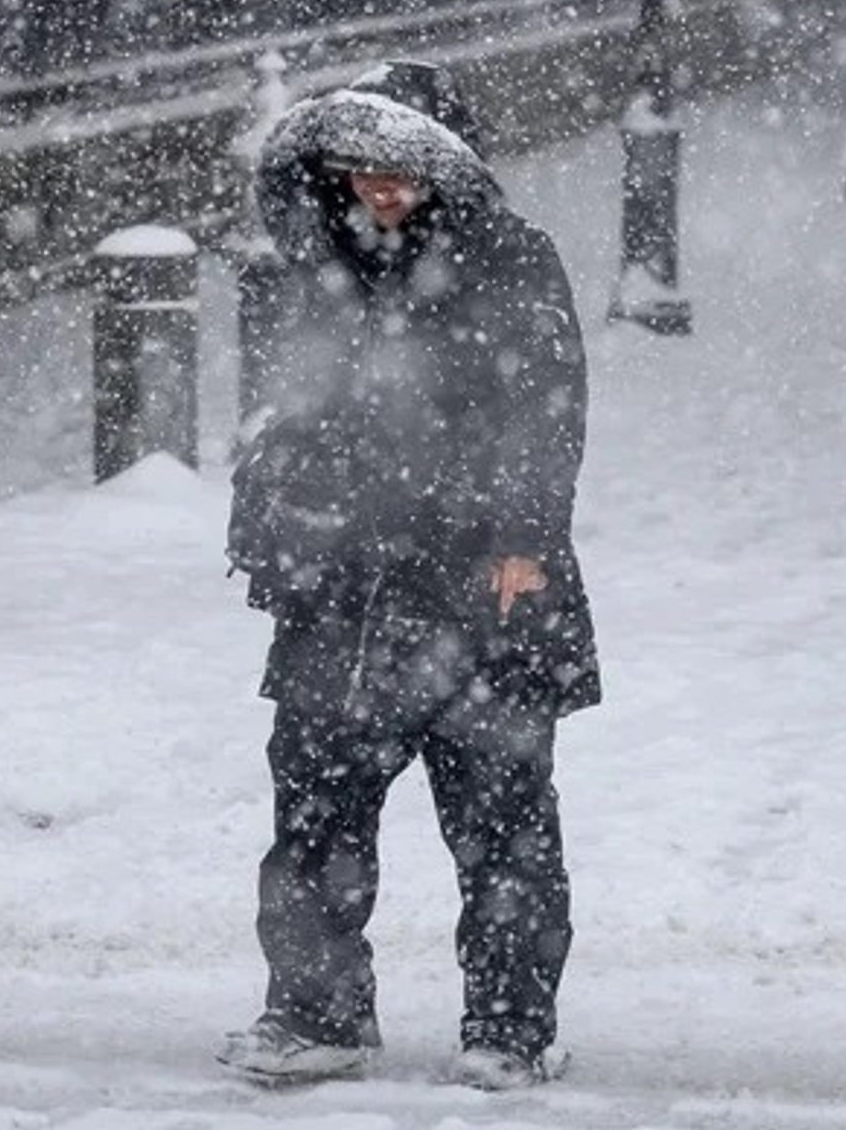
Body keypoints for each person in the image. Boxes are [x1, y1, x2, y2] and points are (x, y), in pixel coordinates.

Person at [218, 61, 599, 1093]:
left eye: (402, 168)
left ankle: (510, 1028)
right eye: (360, 167)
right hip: (341, 593)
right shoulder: (303, 268)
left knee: (503, 824)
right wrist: (273, 535)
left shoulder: (511, 260)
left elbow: (546, 406)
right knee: (315, 821)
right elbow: (273, 417)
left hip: (481, 591)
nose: (380, 187)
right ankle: (316, 1013)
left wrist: (522, 538)